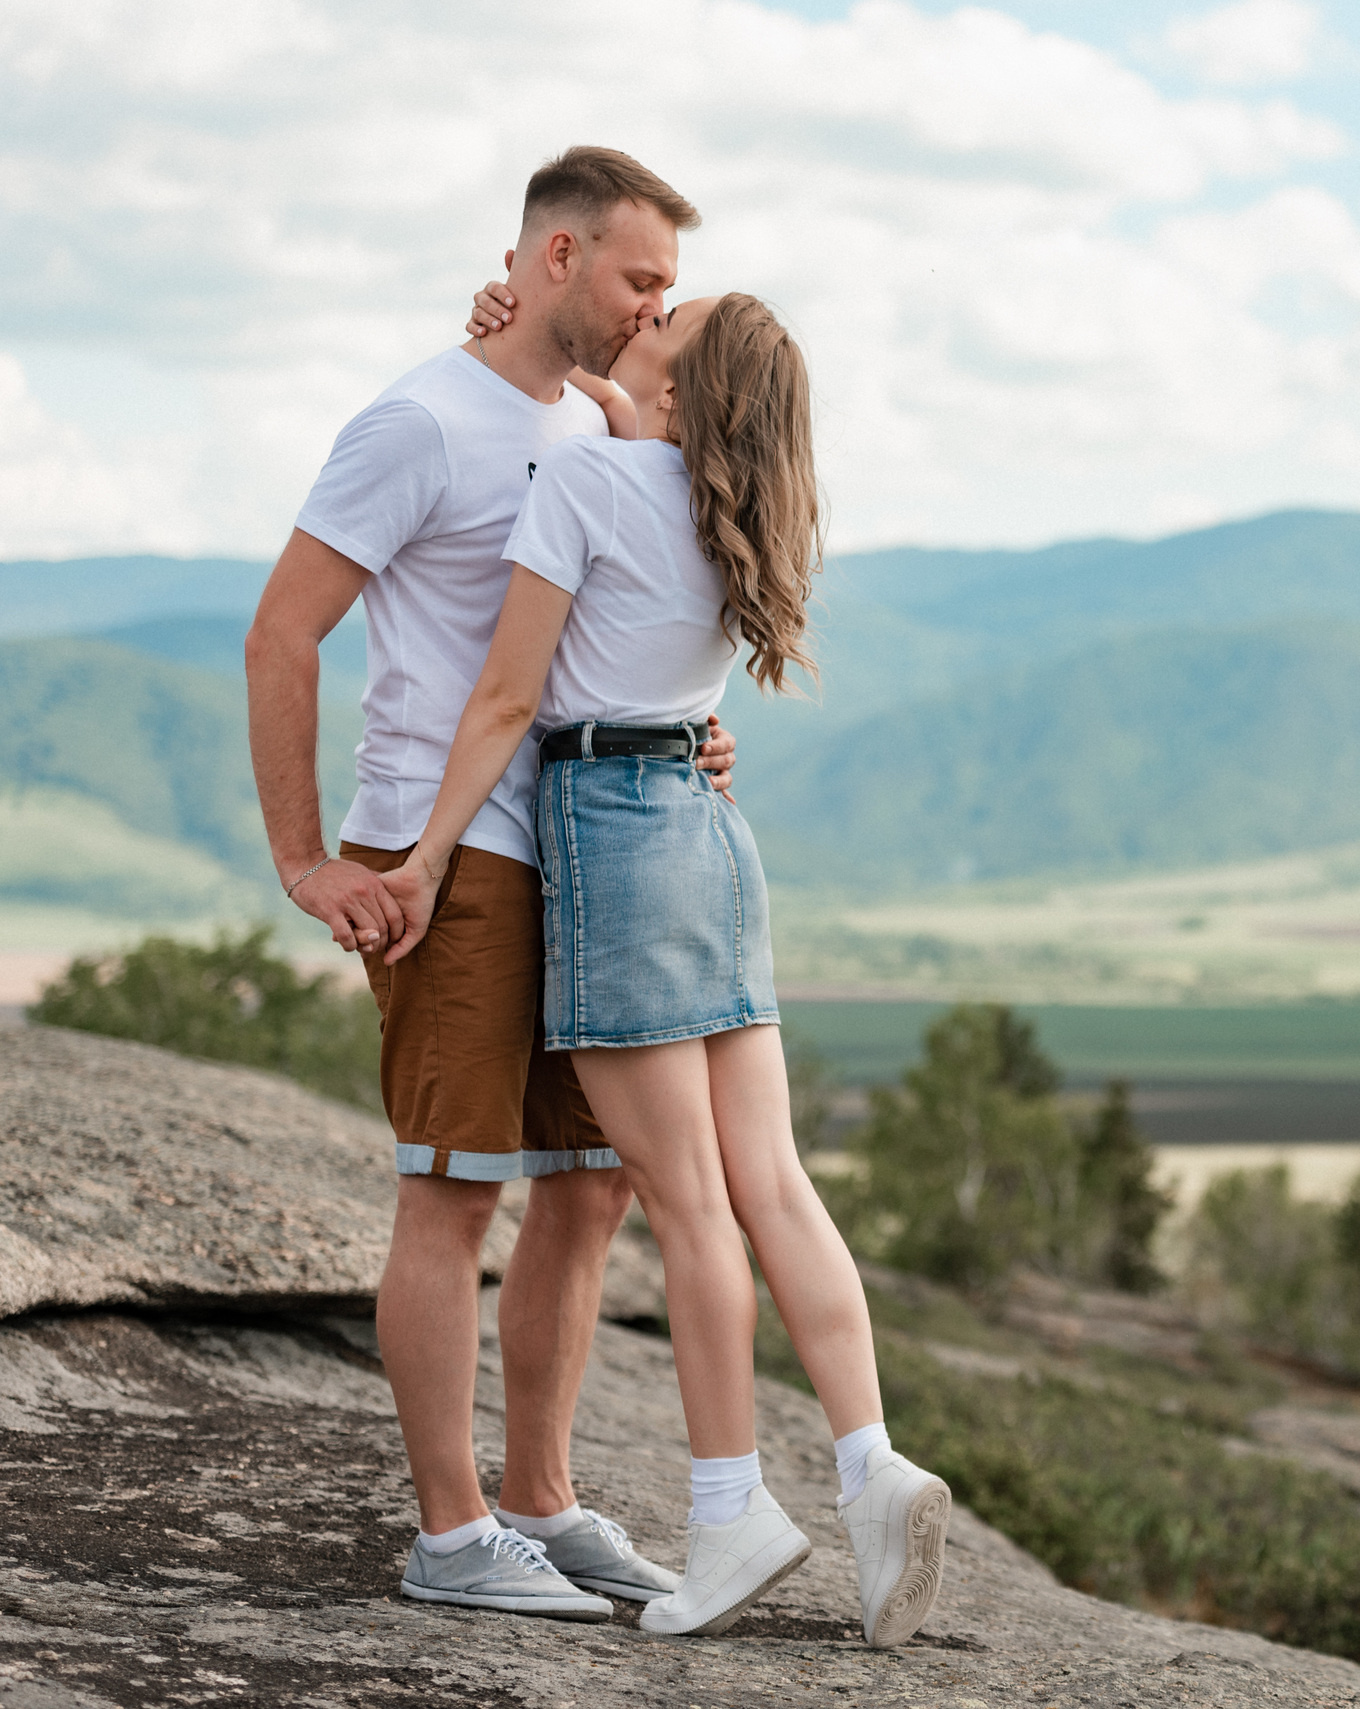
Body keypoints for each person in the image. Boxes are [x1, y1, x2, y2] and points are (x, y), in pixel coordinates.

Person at [377, 290, 951, 1644]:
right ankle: (872, 1466)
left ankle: (728, 1510)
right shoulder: (728, 504)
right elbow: (648, 444)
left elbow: (507, 695)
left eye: (668, 318)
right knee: (774, 1185)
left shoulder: (586, 479)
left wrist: (424, 858)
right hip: (712, 833)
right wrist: (608, 387)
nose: (645, 312)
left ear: (684, 391)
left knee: (689, 1205)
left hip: (614, 842)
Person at [246, 147, 735, 1621]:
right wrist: (305, 858)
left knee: (591, 1189)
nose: (658, 306)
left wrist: (685, 731)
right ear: (558, 255)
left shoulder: (603, 421)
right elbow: (282, 633)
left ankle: (540, 1500)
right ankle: (452, 1536)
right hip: (444, 857)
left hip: (591, 848)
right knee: (454, 1192)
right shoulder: (419, 421)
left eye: (668, 286)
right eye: (643, 277)